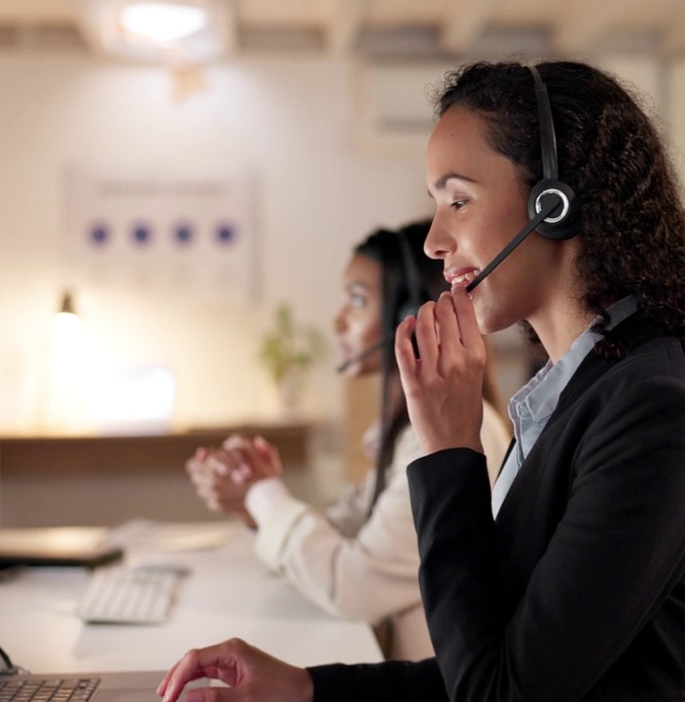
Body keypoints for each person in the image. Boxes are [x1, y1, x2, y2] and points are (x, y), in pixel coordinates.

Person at [159, 60, 685, 702]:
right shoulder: (572, 398)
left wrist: (449, 449)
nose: (433, 240)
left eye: (457, 201)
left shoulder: (656, 410)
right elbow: (492, 666)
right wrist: (309, 687)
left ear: (553, 204)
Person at [184, 219, 511, 662]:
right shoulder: (408, 431)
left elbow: (356, 585)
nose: (338, 321)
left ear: (408, 317)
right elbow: (348, 530)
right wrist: (252, 500)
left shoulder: (445, 434)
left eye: (357, 301)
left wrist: (264, 494)